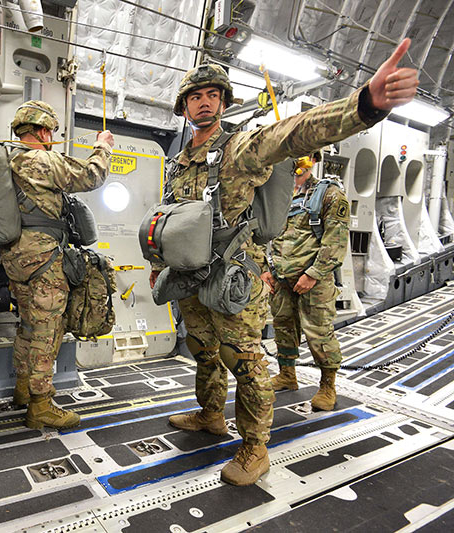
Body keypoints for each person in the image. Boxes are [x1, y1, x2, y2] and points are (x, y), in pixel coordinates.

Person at [157, 39, 418, 486]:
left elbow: (295, 132)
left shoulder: (240, 148)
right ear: (184, 108)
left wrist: (364, 105)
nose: (204, 103)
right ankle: (210, 415)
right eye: (195, 97)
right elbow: (169, 217)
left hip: (234, 275)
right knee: (202, 351)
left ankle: (255, 448)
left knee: (245, 360)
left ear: (223, 102)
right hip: (189, 275)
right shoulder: (178, 164)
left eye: (212, 95)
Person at [1, 101, 113, 429]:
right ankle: (40, 405)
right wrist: (102, 148)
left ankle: (23, 388)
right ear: (45, 130)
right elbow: (92, 176)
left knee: (26, 324)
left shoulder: (7, 159)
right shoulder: (42, 159)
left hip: (14, 257)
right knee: (47, 330)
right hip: (44, 259)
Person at [262, 153, 348, 411]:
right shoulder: (276, 195)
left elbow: (336, 241)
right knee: (283, 326)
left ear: (312, 159)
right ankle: (287, 375)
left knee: (319, 333)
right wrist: (267, 268)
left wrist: (313, 274)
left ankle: (327, 386)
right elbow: (266, 233)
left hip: (314, 279)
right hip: (281, 276)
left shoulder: (330, 195)